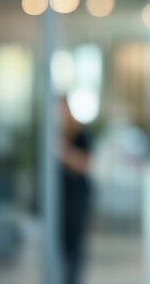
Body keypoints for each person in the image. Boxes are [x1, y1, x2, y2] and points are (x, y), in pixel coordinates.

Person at [58, 97, 93, 284]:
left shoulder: (80, 135)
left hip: (77, 197)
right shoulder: (54, 135)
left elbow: (84, 163)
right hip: (60, 198)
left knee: (75, 246)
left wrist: (61, 151)